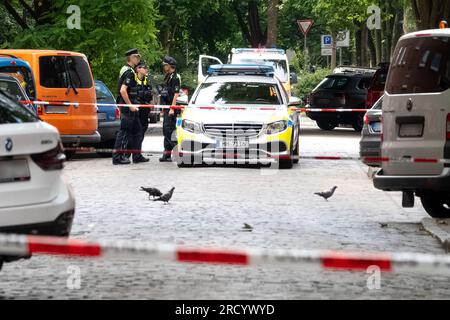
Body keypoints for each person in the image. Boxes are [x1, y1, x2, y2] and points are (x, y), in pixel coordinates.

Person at [112, 48, 146, 165]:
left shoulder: (128, 70)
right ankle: (117, 157)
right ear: (131, 58)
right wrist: (130, 105)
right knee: (125, 131)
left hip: (131, 106)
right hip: (128, 107)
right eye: (137, 57)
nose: (138, 59)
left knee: (138, 131)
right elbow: (123, 90)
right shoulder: (129, 72)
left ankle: (136, 155)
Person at [159, 56, 181, 162]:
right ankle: (166, 154)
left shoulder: (175, 78)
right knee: (165, 130)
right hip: (167, 107)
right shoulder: (168, 76)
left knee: (169, 131)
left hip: (171, 108)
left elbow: (176, 95)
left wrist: (172, 108)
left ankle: (177, 153)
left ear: (170, 66)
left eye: (165, 65)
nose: (164, 67)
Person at [133, 61, 153, 162]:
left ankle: (137, 154)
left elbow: (150, 93)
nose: (146, 70)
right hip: (136, 109)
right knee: (137, 132)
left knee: (142, 131)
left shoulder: (146, 80)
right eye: (144, 68)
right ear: (138, 69)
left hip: (145, 109)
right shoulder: (134, 79)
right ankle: (135, 155)